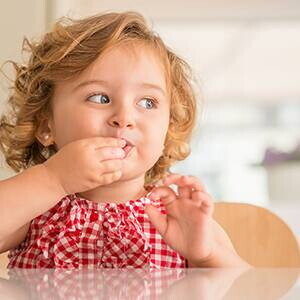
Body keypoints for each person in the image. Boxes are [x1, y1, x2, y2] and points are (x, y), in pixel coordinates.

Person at [0, 11, 250, 268]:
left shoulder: (179, 219)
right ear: (46, 125)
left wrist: (206, 255)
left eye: (147, 102)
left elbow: (250, 289)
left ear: (168, 128)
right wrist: (54, 179)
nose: (124, 118)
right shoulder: (36, 208)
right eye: (99, 98)